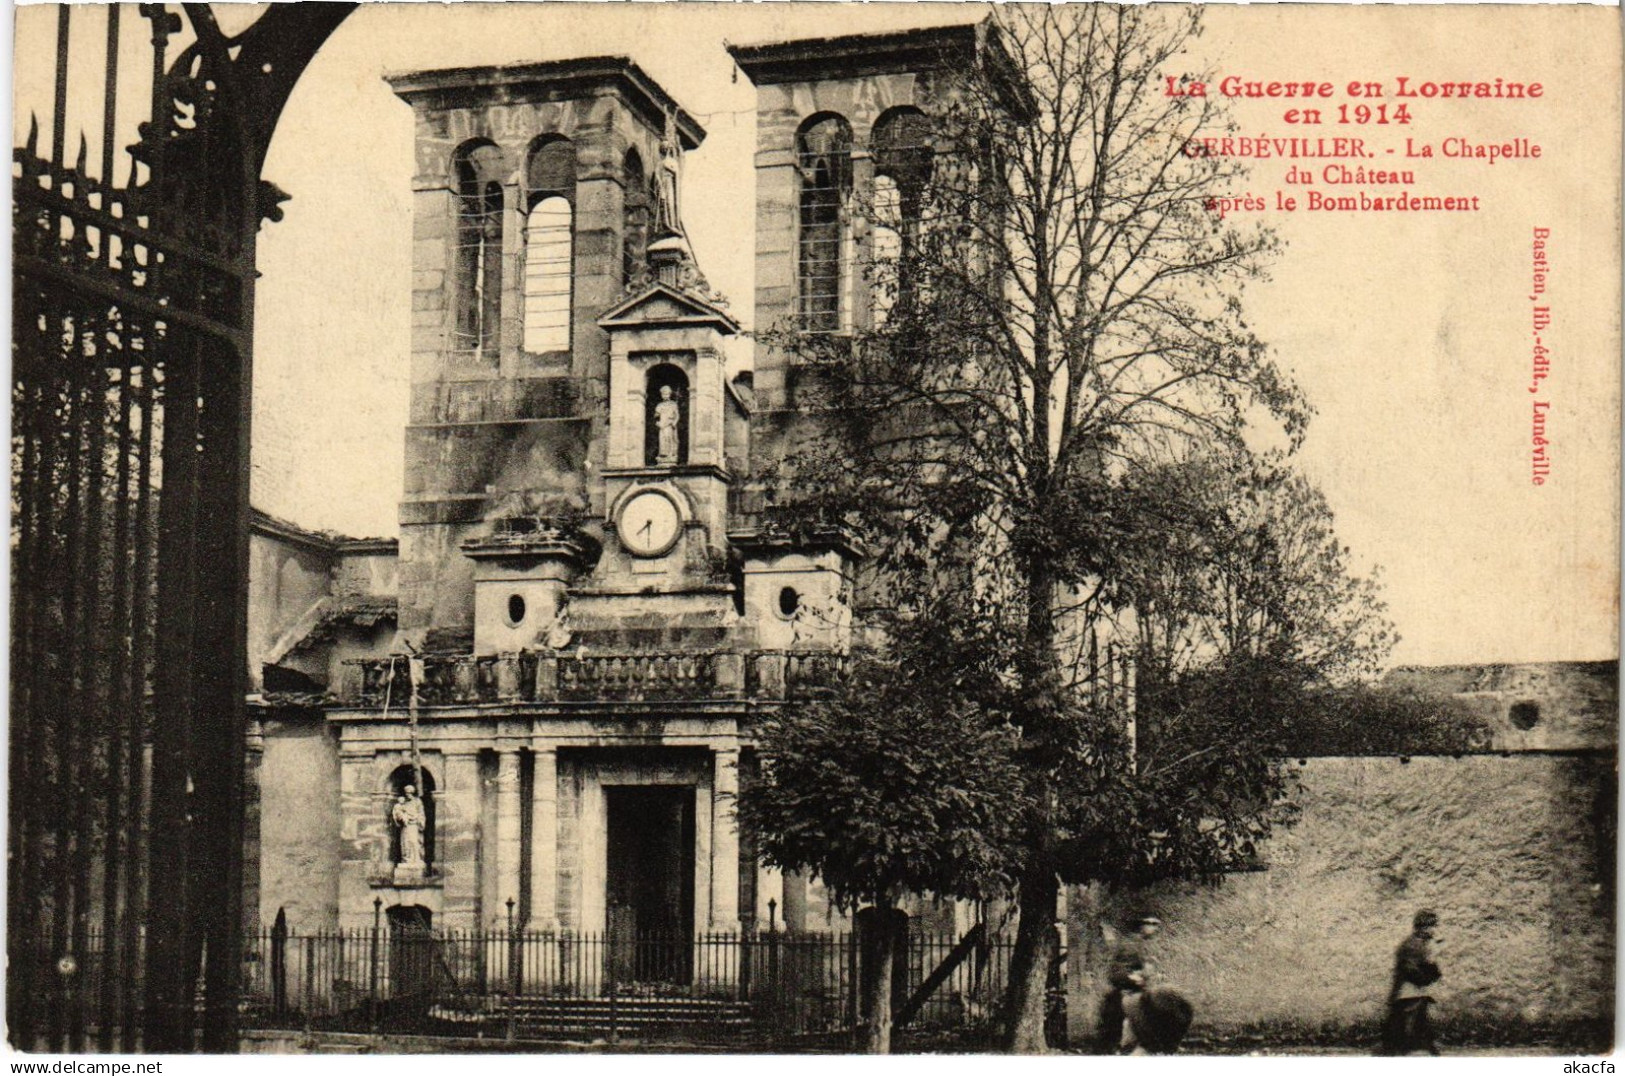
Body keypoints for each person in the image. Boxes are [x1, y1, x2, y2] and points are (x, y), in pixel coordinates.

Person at [1379, 909, 1442, 1055]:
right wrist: (1428, 976)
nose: (1435, 930)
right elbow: (1411, 970)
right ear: (1423, 927)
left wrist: (1432, 968)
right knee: (1408, 1028)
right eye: (1433, 926)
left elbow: (1428, 966)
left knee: (1417, 1026)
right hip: (1408, 993)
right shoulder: (1412, 945)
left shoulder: (1421, 944)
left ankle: (1423, 1050)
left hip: (1415, 993)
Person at [1097, 915, 1161, 1054]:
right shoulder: (1131, 944)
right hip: (1126, 993)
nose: (1154, 928)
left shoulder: (1139, 943)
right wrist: (1135, 979)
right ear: (1141, 925)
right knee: (1125, 1027)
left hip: (1132, 992)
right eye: (1150, 924)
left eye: (1156, 925)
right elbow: (1118, 972)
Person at [392, 784, 427, 867]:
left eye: (409, 793)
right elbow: (398, 813)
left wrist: (416, 818)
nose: (407, 794)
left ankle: (416, 860)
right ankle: (406, 860)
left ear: (412, 793)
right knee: (405, 842)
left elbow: (421, 814)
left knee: (414, 842)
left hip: (414, 825)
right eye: (406, 793)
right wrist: (400, 817)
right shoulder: (404, 803)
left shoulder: (417, 802)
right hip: (405, 826)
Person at [654, 385, 681, 464]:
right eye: (663, 394)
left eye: (666, 394)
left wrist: (674, 422)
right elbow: (656, 416)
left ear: (669, 394)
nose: (665, 396)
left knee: (670, 439)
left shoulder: (673, 404)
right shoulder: (660, 405)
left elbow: (677, 415)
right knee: (662, 439)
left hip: (670, 424)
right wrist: (657, 421)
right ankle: (663, 454)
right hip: (662, 425)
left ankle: (671, 455)